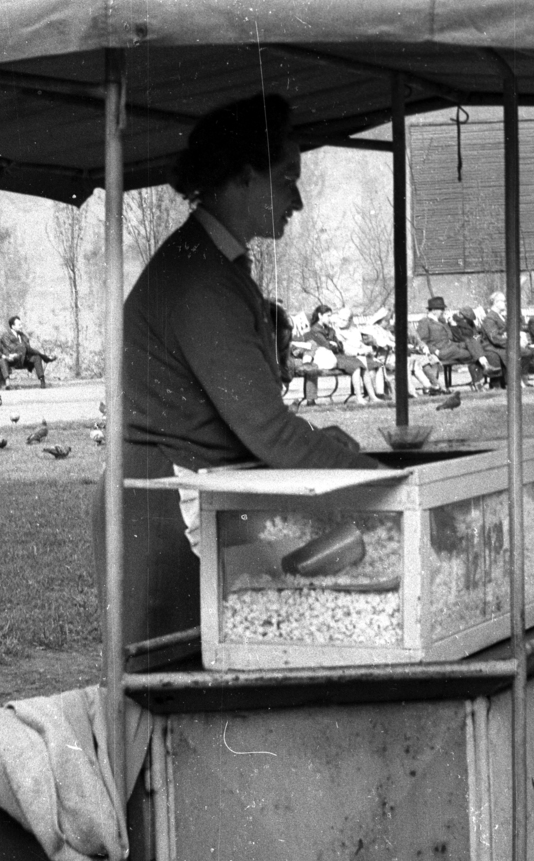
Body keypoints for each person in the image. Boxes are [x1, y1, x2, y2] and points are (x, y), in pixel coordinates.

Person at [104, 91, 374, 652]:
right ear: (244, 179)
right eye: (287, 178)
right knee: (169, 687)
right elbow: (269, 432)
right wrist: (376, 480)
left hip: (192, 501)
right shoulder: (201, 281)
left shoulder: (215, 267)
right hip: (164, 521)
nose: (296, 199)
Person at [0, 315, 52, 388]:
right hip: (12, 359)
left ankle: (42, 380)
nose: (21, 326)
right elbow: (11, 348)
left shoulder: (22, 335)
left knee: (36, 357)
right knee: (21, 347)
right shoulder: (6, 336)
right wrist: (22, 346)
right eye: (19, 325)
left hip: (24, 358)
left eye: (21, 324)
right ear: (12, 326)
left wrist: (24, 347)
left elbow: (28, 348)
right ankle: (7, 383)